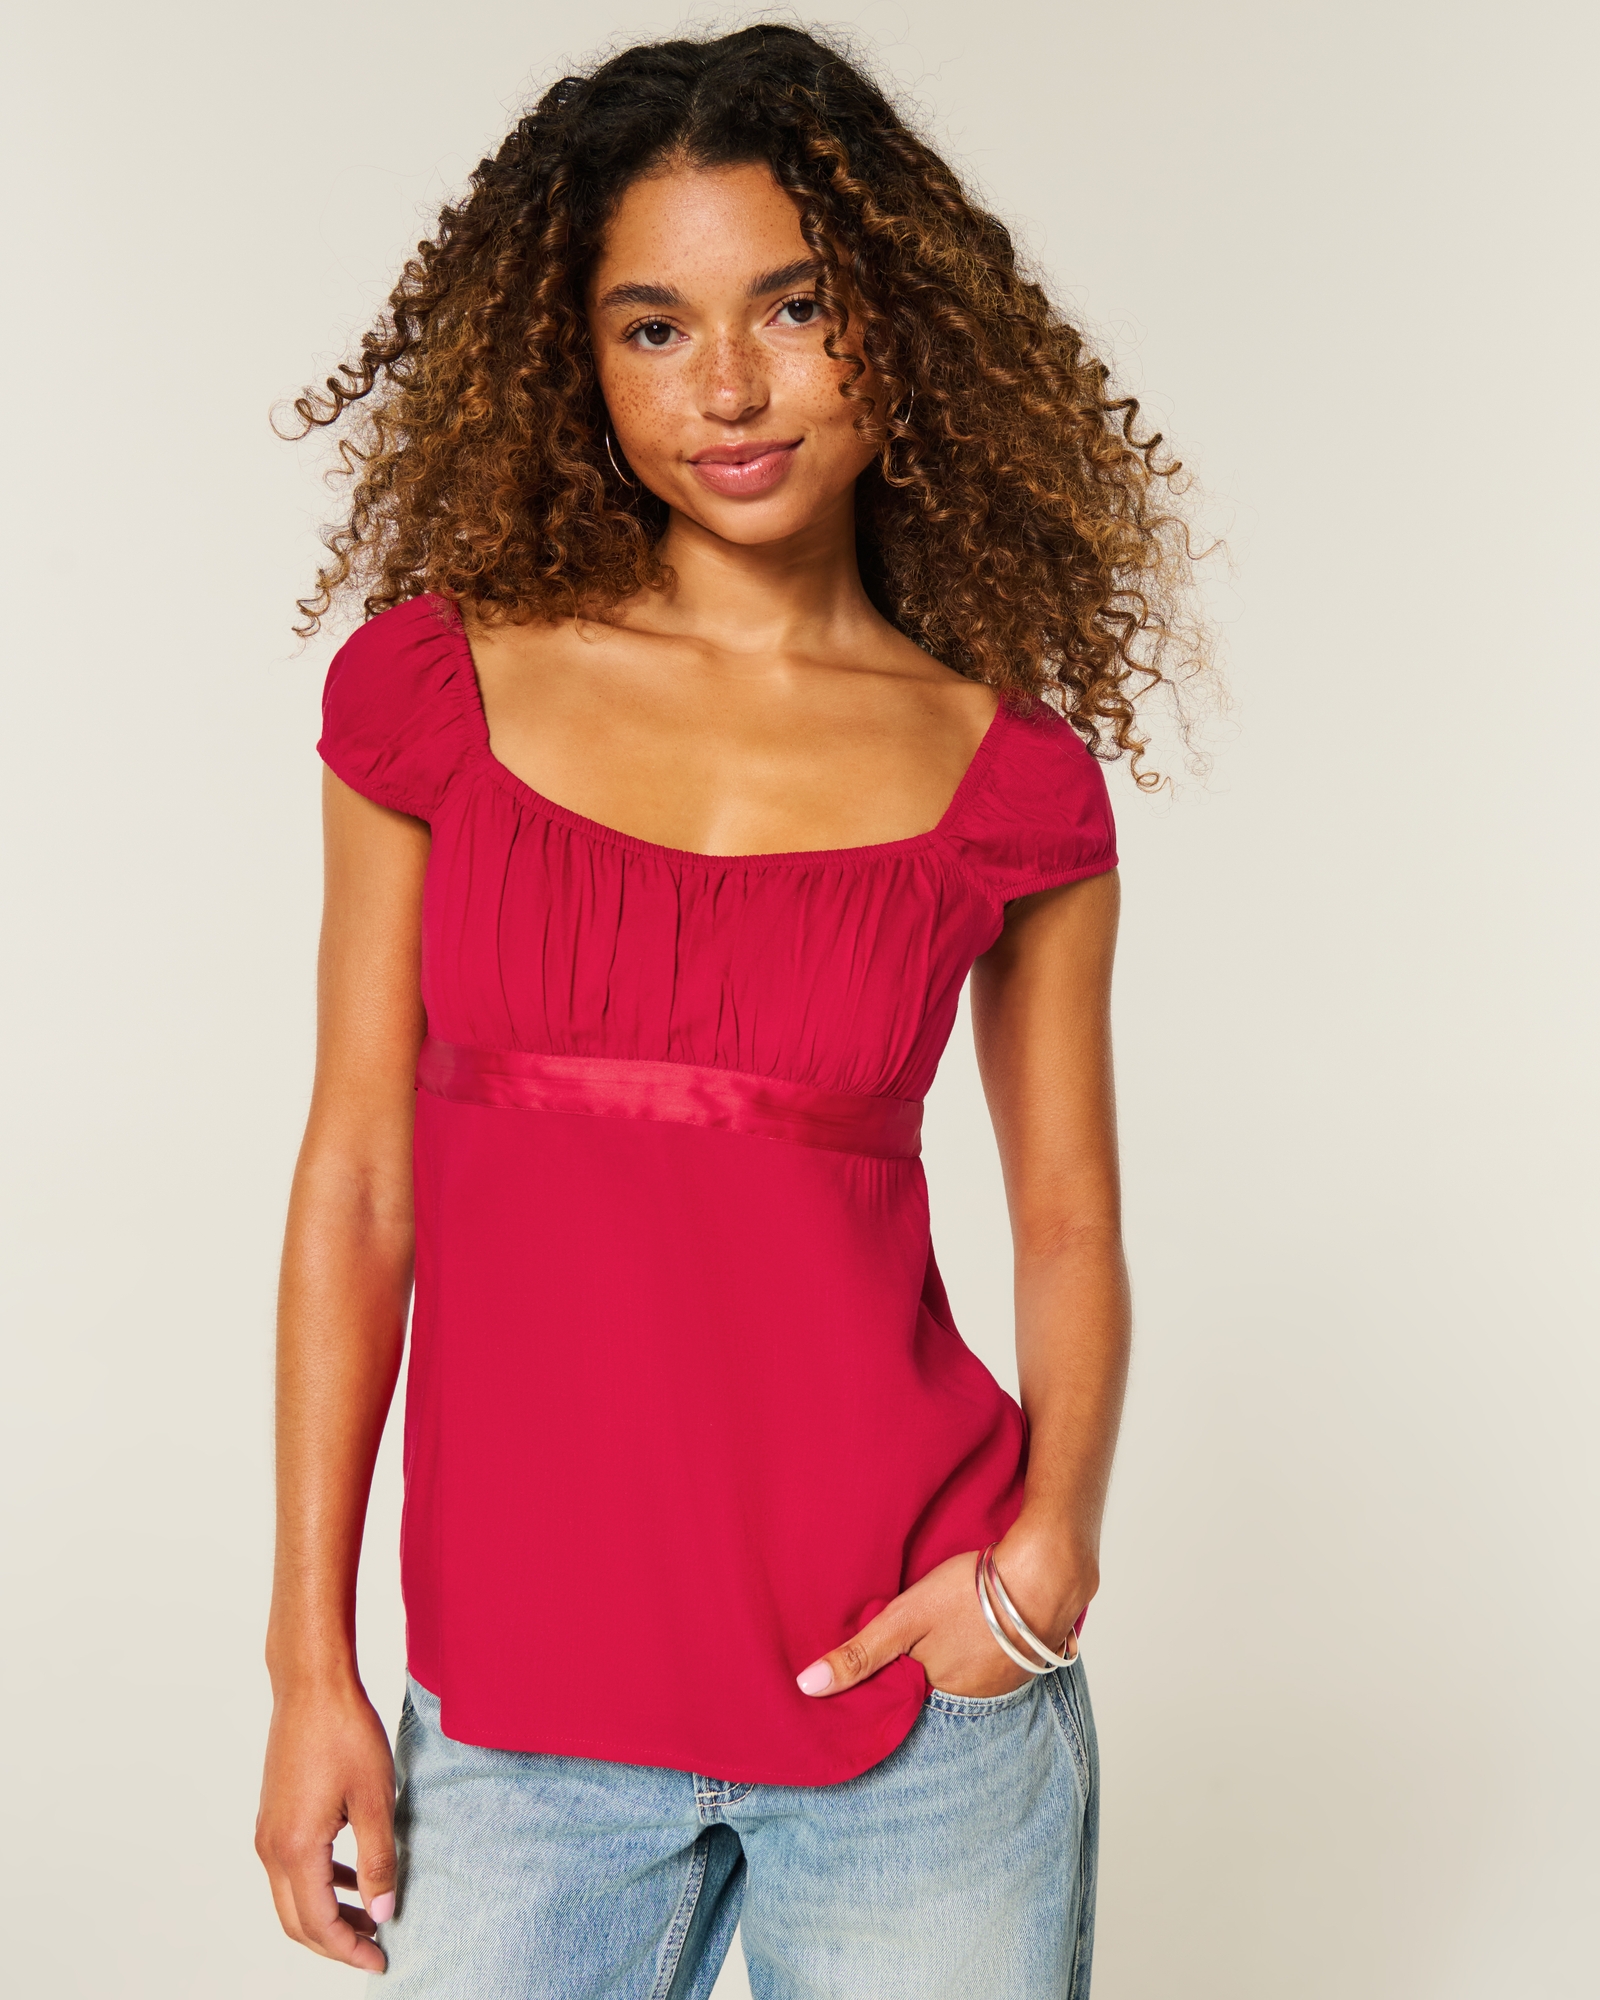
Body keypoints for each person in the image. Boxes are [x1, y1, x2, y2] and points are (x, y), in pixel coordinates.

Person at [255, 24, 1198, 1997]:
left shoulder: (1010, 779)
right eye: (654, 328)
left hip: (915, 1712)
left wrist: (1046, 1563)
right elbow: (356, 1183)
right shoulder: (433, 696)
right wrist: (308, 1663)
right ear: (574, 359)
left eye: (792, 305)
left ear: (895, 324)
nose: (731, 388)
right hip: (518, 1728)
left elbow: (1067, 1220)